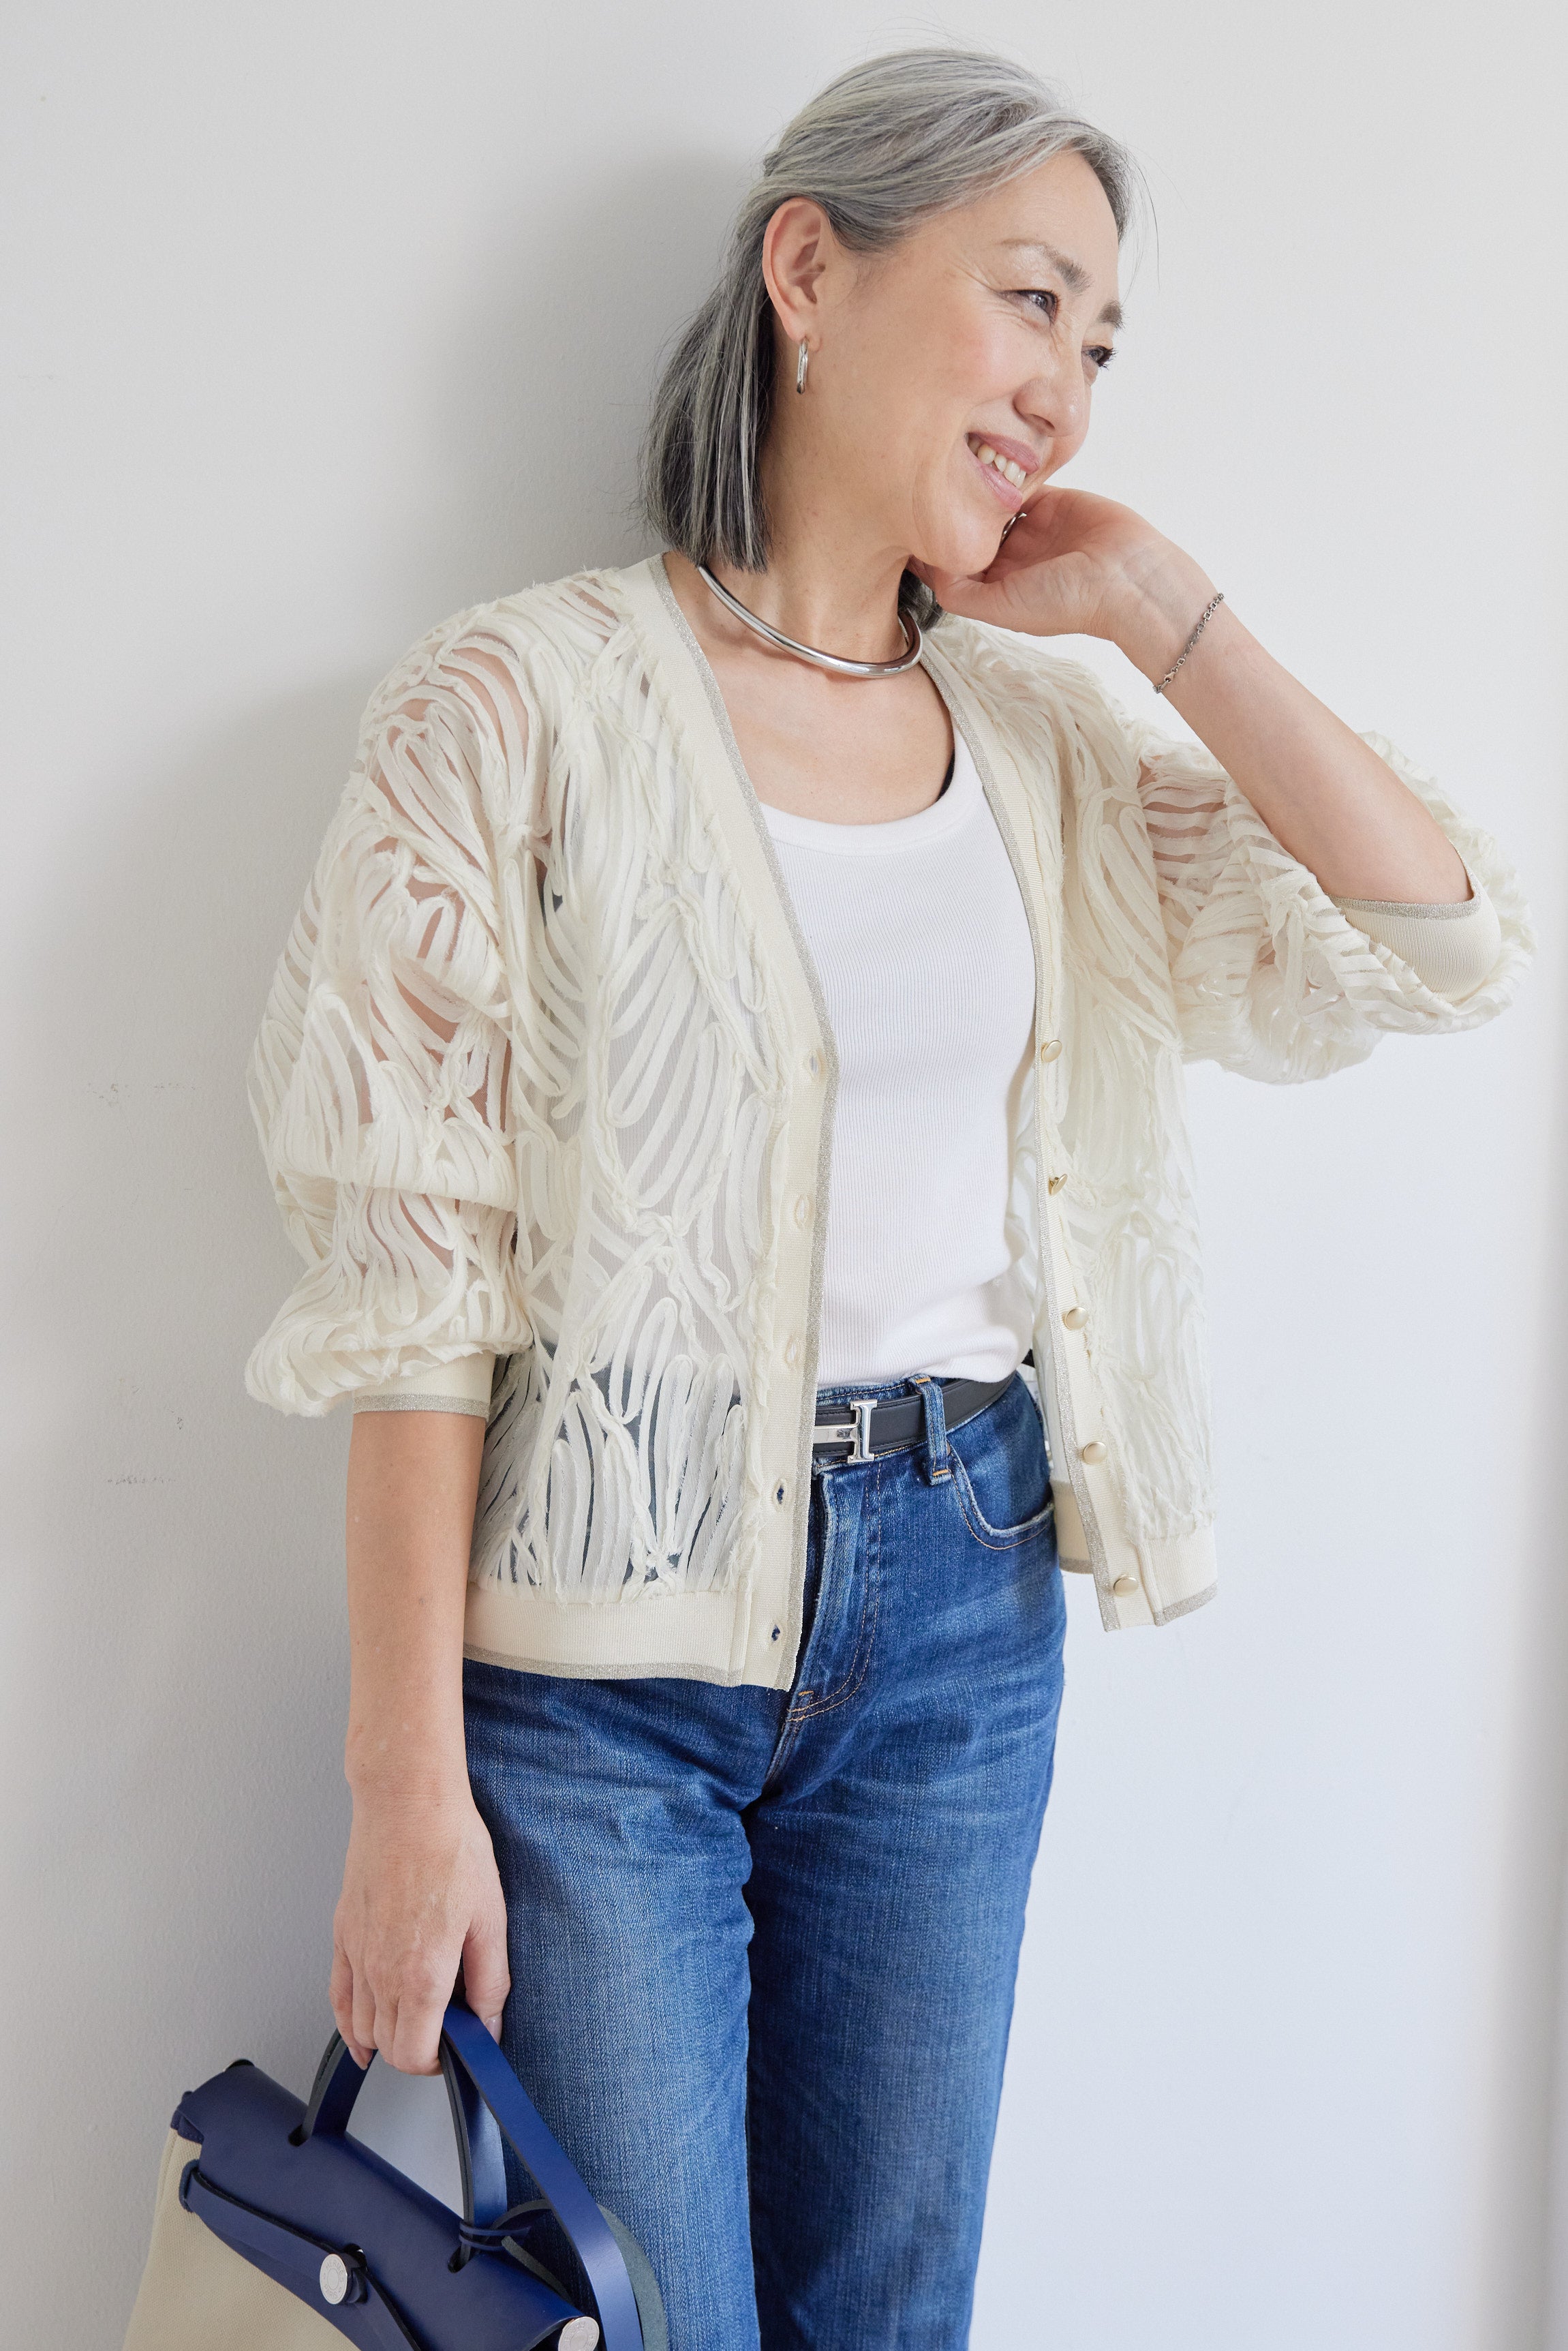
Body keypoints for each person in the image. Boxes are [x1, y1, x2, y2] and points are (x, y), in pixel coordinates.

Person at [243, 46, 1528, 2351]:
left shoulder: (1044, 746)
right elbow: (418, 1282)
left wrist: (1158, 606)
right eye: (1031, 301)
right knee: (657, 2325)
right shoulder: (515, 706)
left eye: (1101, 344)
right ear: (810, 273)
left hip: (960, 1615)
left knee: (893, 2317)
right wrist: (401, 1778)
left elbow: (1435, 939)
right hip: (599, 1682)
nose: (1063, 389)